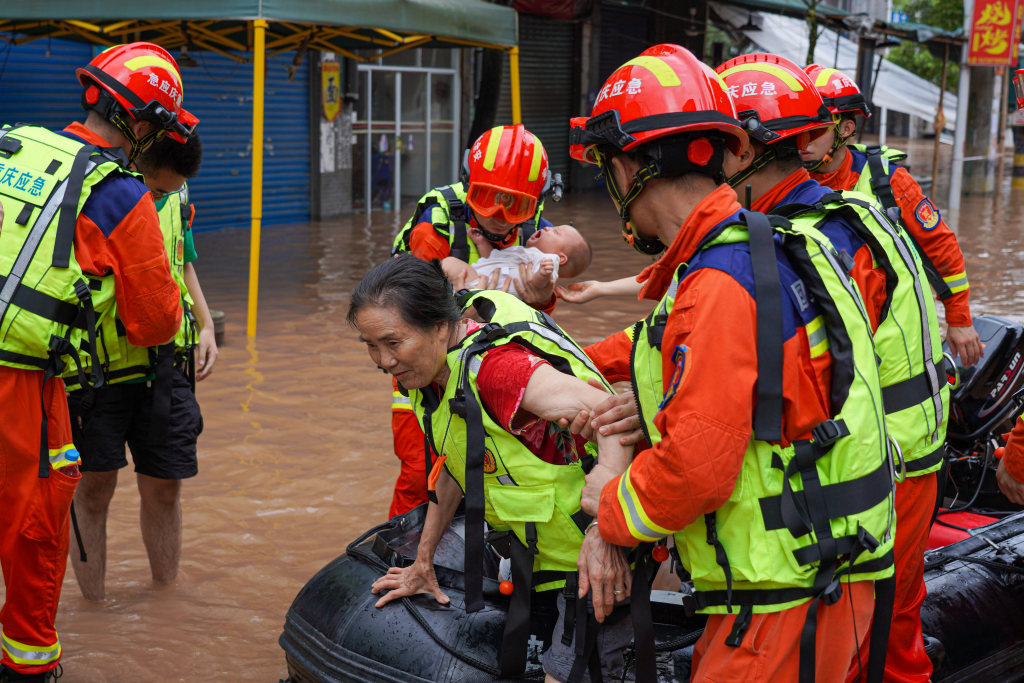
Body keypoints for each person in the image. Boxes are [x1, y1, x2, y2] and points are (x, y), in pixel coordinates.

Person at [569, 44, 895, 682]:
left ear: (632, 164)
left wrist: (608, 509)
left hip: (780, 599)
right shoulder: (769, 246)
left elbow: (695, 471)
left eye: (608, 167)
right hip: (833, 575)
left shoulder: (718, 283)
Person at [716, 53, 949, 683]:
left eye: (715, 150)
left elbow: (799, 371)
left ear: (748, 153)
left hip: (888, 460)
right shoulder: (827, 217)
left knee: (878, 633)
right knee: (885, 622)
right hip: (899, 446)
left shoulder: (821, 235)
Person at [349, 256, 637, 683]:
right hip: (546, 555)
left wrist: (606, 533)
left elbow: (613, 418)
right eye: (371, 345)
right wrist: (422, 562)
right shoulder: (426, 376)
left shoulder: (500, 372)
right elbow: (454, 466)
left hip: (598, 552)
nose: (383, 360)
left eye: (393, 343)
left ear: (441, 328)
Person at [0, 42, 189, 682]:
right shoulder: (118, 196)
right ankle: (28, 668)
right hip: (26, 383)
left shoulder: (11, 143)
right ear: (141, 125)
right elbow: (155, 321)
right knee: (34, 527)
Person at [386, 124, 564, 520]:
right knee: (420, 473)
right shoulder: (440, 212)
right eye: (487, 199)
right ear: (469, 185)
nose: (500, 218)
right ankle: (401, 555)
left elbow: (536, 319)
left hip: (494, 365)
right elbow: (413, 301)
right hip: (423, 359)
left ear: (535, 204)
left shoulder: (539, 234)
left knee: (499, 468)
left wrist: (541, 297)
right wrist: (443, 267)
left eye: (513, 205)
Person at [65, 131, 212, 603]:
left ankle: (165, 599)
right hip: (96, 372)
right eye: (156, 188)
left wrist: (206, 325)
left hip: (164, 366)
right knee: (92, 489)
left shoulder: (177, 193)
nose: (162, 196)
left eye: (170, 190)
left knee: (166, 487)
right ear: (135, 159)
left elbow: (181, 262)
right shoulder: (86, 189)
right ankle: (94, 607)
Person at [800, 64, 982, 367]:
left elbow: (940, 247)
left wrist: (959, 318)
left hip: (885, 331)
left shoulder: (886, 181)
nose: (802, 139)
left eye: (814, 128)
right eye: (796, 128)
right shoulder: (778, 179)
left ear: (844, 129)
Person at [442, 223, 592, 298]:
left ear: (560, 258)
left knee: (448, 264)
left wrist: (544, 274)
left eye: (556, 231)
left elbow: (539, 285)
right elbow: (492, 258)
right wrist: (482, 243)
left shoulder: (547, 261)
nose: (548, 228)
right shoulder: (522, 252)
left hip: (481, 285)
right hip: (480, 282)